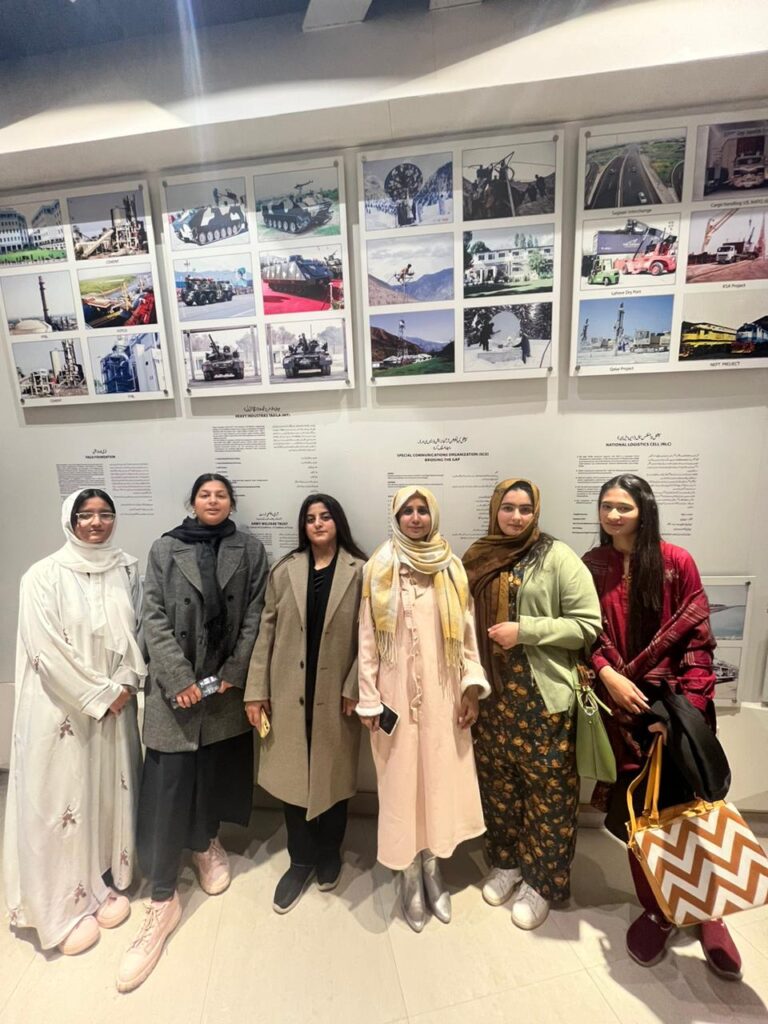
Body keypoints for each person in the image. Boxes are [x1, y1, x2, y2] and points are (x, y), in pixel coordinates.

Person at [583, 473, 741, 979]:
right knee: (639, 816)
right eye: (606, 506)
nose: (613, 516)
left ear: (644, 510)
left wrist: (681, 713)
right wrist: (610, 679)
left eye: (623, 507)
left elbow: (698, 642)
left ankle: (709, 912)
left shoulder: (676, 561)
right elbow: (586, 635)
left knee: (689, 810)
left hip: (676, 709)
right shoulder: (592, 565)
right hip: (618, 706)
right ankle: (656, 907)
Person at [117, 473, 267, 992]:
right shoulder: (165, 547)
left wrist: (234, 672)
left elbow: (255, 614)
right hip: (175, 688)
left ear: (231, 503)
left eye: (221, 495)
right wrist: (178, 678)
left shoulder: (250, 549)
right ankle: (163, 894)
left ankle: (206, 844)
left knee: (212, 769)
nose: (213, 501)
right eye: (204, 494)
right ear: (192, 501)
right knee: (170, 778)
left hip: (222, 686)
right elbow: (152, 615)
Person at [4, 489, 145, 956]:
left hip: (116, 706)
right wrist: (102, 695)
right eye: (86, 515)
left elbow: (136, 632)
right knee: (59, 801)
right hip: (61, 707)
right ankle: (60, 908)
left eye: (105, 514)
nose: (96, 523)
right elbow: (44, 649)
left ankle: (100, 883)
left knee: (102, 795)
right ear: (70, 520)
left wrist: (125, 684)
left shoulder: (126, 568)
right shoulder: (42, 575)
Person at [463, 479, 602, 929]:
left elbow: (587, 626)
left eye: (525, 509)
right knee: (499, 789)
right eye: (508, 507)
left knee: (549, 796)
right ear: (494, 510)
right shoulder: (477, 557)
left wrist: (525, 630)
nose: (516, 517)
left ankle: (542, 882)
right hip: (492, 698)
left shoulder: (557, 556)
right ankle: (507, 864)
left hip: (543, 701)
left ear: (536, 512)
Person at [357, 487, 490, 932]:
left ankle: (433, 865)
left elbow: (467, 634)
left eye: (421, 510)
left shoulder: (451, 567)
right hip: (394, 694)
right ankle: (408, 872)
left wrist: (471, 689)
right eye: (406, 511)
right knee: (400, 784)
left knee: (439, 780)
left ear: (432, 515)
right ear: (396, 516)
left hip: (443, 692)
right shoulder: (379, 567)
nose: (415, 518)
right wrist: (370, 698)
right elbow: (367, 639)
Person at [244, 494, 367, 913]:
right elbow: (266, 633)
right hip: (286, 691)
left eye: (325, 516)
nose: (317, 523)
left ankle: (329, 851)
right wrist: (256, 690)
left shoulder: (361, 571)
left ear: (338, 521)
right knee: (292, 776)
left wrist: (355, 685)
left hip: (337, 696)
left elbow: (370, 638)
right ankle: (300, 860)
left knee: (333, 775)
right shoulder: (285, 570)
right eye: (310, 518)